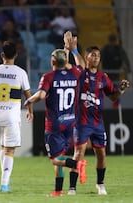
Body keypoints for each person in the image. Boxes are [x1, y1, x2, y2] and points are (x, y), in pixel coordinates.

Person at [23, 32, 88, 196]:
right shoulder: (74, 73)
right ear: (65, 61)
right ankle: (58, 191)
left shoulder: (48, 77)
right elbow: (83, 65)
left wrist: (29, 100)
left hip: (54, 125)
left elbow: (42, 95)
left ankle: (77, 164)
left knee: (55, 159)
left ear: (52, 61)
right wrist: (72, 50)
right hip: (70, 122)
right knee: (60, 157)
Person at [68, 46, 130, 195]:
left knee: (101, 155)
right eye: (93, 55)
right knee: (78, 154)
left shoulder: (104, 77)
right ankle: (72, 188)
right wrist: (74, 50)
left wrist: (120, 90)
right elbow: (78, 63)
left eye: (98, 55)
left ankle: (100, 184)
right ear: (87, 57)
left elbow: (112, 96)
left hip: (97, 123)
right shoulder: (81, 73)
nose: (96, 58)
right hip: (82, 122)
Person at [0, 41, 33, 192]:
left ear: (2, 55)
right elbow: (28, 95)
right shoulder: (21, 73)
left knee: (3, 147)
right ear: (16, 55)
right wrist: (30, 110)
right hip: (11, 116)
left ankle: (4, 181)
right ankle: (4, 184)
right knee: (10, 150)